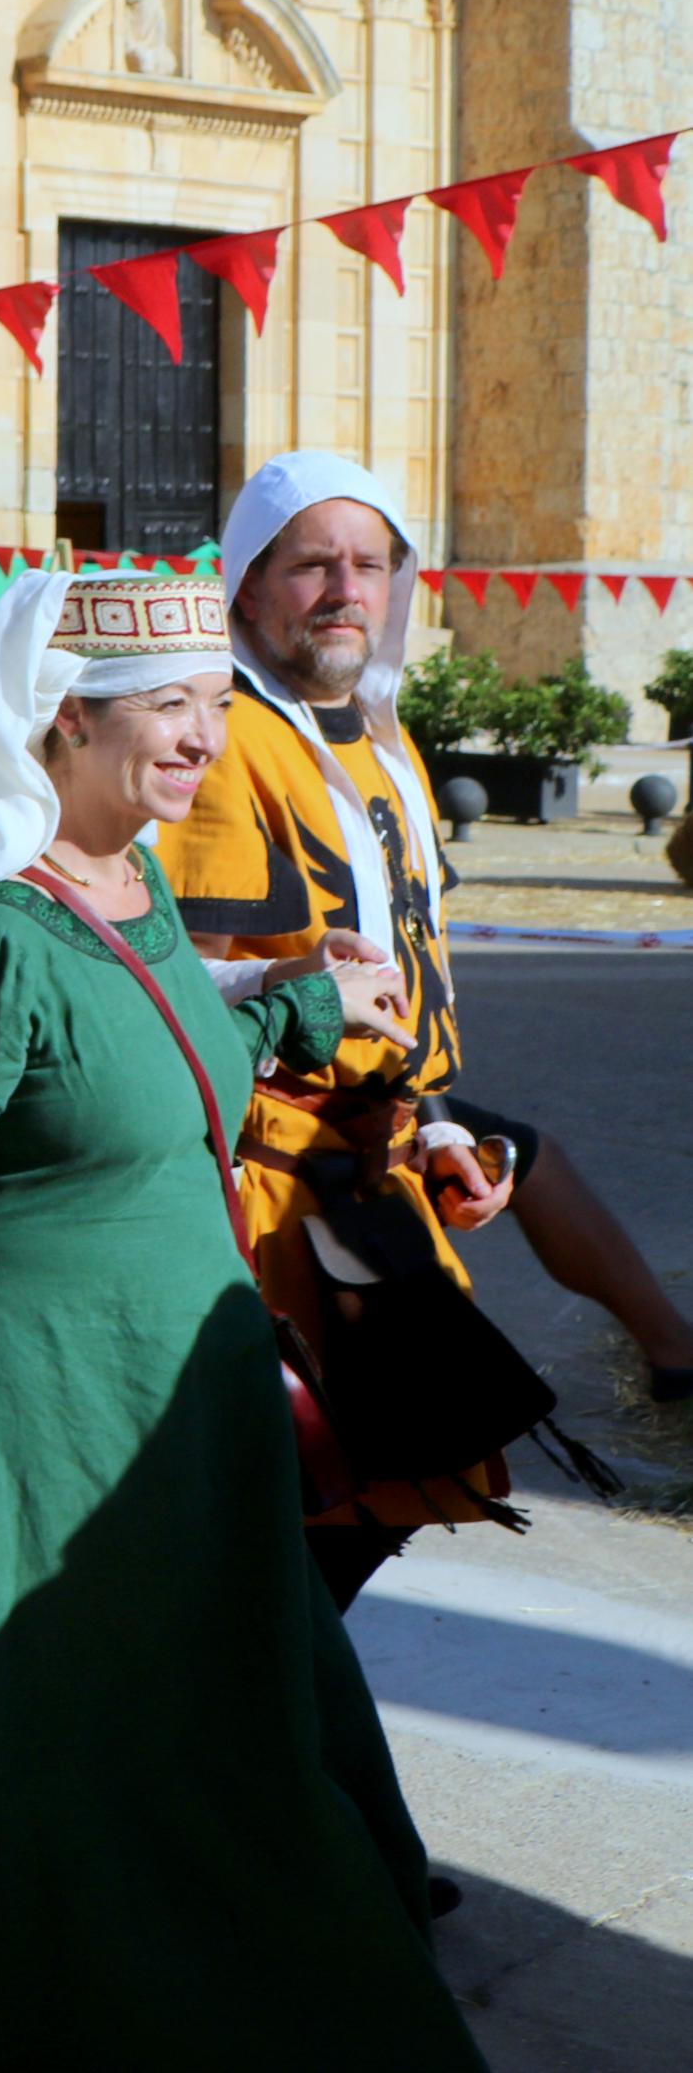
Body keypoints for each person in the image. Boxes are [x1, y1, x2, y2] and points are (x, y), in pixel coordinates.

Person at [0, 570, 474, 2072]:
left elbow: (148, 1066)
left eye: (212, 708)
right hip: (45, 1423)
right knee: (74, 1760)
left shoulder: (138, 892)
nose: (201, 744)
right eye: (165, 710)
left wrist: (283, 1010)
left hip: (184, 1411)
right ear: (61, 721)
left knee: (198, 1750)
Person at [174, 452, 693, 1595]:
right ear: (249, 584)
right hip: (267, 1195)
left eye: (367, 564)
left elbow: (401, 973)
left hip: (376, 1168)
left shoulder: (381, 740)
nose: (342, 590)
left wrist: (437, 1120)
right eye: (310, 564)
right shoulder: (224, 742)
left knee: (367, 1504)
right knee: (298, 1516)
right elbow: (181, 980)